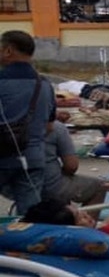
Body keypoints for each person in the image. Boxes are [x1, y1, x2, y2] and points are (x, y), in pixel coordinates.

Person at [0, 30, 57, 216]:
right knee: (32, 216)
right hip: (32, 158)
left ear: (8, 51)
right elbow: (49, 127)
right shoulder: (45, 85)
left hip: (2, 156)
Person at [42, 120, 109, 206]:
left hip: (23, 184)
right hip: (49, 185)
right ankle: (84, 218)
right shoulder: (55, 127)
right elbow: (72, 166)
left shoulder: (20, 124)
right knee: (100, 186)